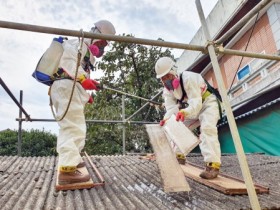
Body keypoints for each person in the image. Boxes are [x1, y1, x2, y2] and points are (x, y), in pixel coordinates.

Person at [50, 20, 116, 185]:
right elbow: (68, 63)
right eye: (101, 43)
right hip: (65, 87)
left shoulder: (85, 52)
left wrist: (86, 93)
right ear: (94, 35)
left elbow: (80, 76)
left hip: (67, 89)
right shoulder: (78, 44)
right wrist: (81, 79)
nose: (102, 48)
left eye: (104, 45)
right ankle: (67, 170)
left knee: (73, 126)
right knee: (74, 128)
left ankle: (71, 160)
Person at [155, 56, 222, 179]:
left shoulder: (188, 78)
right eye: (163, 79)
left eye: (168, 76)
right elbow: (171, 109)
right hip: (193, 108)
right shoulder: (168, 91)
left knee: (207, 129)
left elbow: (196, 104)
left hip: (208, 103)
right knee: (175, 125)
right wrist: (166, 120)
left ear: (174, 71)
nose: (166, 80)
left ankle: (212, 165)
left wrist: (184, 112)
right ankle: (178, 156)